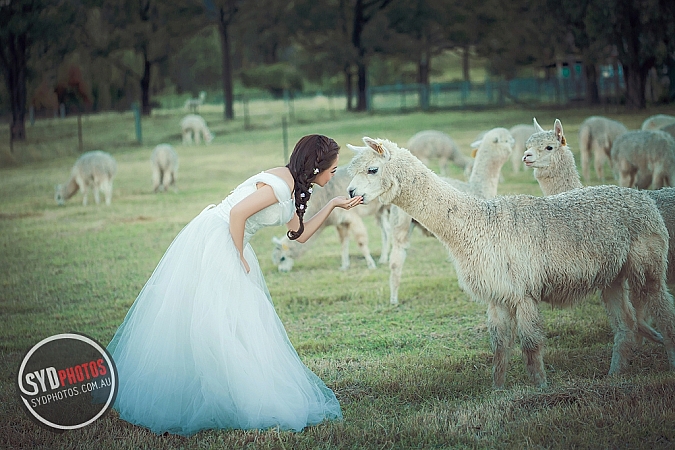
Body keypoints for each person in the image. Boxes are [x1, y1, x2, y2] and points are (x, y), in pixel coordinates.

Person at [107, 134, 361, 436]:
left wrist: (333, 204)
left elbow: (300, 235)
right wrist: (238, 254)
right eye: (332, 169)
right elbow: (238, 213)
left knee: (237, 320)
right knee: (221, 316)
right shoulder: (281, 185)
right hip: (219, 237)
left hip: (231, 238)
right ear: (317, 167)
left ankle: (235, 389)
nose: (334, 174)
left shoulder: (291, 187)